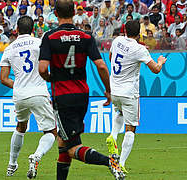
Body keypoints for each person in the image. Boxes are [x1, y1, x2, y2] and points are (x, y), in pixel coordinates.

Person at [37, 0, 125, 179]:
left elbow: (42, 69)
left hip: (63, 96)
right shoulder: (85, 36)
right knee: (63, 142)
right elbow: (101, 66)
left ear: (55, 13)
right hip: (82, 95)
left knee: (71, 147)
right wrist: (108, 90)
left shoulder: (50, 37)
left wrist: (50, 78)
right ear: (73, 13)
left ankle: (110, 161)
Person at [106, 20, 167, 174]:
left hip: (114, 90)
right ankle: (121, 163)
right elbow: (155, 70)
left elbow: (111, 57)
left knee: (119, 113)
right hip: (129, 93)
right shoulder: (139, 49)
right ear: (139, 32)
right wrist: (160, 61)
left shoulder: (117, 40)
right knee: (131, 127)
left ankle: (113, 136)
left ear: (125, 30)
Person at [0, 16, 57, 179]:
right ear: (33, 29)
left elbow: (3, 78)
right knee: (51, 131)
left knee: (20, 126)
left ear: (16, 29)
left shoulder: (9, 49)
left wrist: (19, 85)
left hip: (19, 95)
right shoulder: (40, 43)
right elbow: (48, 67)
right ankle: (36, 156)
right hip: (38, 91)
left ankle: (12, 164)